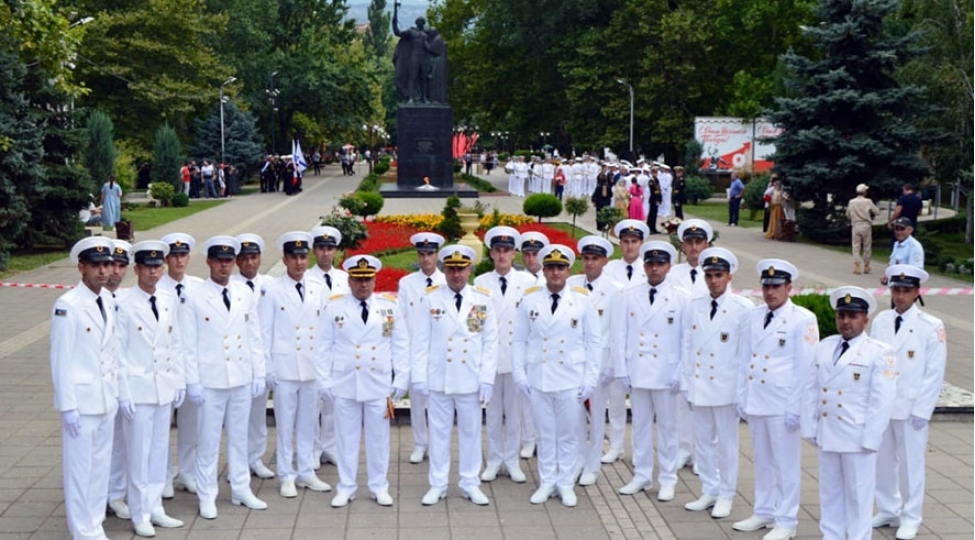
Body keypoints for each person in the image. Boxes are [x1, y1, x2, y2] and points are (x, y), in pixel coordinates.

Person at [180, 236, 267, 519]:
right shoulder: (194, 296)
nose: (224, 266)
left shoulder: (244, 293)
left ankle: (241, 488)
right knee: (208, 441)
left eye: (228, 261)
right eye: (219, 260)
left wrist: (259, 372)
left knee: (240, 438)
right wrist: (192, 381)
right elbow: (187, 344)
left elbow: (254, 336)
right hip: (210, 380)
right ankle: (207, 495)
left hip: (240, 376)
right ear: (208, 261)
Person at [51, 237, 131, 540]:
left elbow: (114, 352)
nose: (103, 271)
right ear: (81, 267)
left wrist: (120, 393)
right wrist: (67, 405)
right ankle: (81, 531)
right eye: (95, 265)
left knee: (99, 470)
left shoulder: (109, 301)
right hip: (81, 404)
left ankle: (95, 524)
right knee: (79, 472)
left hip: (106, 399)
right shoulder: (67, 305)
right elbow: (60, 359)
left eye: (107, 264)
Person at [733, 259, 819, 540]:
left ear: (789, 287)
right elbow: (744, 359)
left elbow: (806, 368)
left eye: (777, 286)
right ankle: (763, 511)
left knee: (785, 464)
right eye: (767, 286)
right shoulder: (754, 316)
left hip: (783, 404)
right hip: (758, 399)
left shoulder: (802, 319)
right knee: (762, 460)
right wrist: (742, 395)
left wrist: (797, 408)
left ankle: (786, 520)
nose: (770, 292)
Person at [801, 286, 896, 540]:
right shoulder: (824, 347)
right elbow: (811, 389)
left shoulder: (879, 352)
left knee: (858, 497)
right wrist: (809, 427)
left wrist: (871, 439)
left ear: (865, 319)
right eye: (842, 315)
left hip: (857, 437)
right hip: (828, 433)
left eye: (852, 316)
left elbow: (881, 401)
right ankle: (830, 535)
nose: (846, 321)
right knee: (830, 493)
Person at [513, 245, 601, 507]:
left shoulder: (583, 300)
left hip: (570, 378)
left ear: (568, 270)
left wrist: (590, 380)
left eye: (560, 267)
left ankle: (565, 482)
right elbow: (519, 340)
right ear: (544, 269)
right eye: (550, 267)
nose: (555, 272)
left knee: (568, 435)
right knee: (545, 433)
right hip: (539, 377)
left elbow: (594, 343)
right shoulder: (530, 300)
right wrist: (519, 374)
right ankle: (547, 481)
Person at [410, 245, 498, 506]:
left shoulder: (482, 299)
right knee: (438, 434)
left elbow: (490, 342)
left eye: (461, 269)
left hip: (470, 379)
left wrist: (487, 378)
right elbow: (420, 342)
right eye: (451, 269)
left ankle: (470, 483)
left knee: (471, 433)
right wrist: (419, 378)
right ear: (444, 270)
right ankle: (438, 484)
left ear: (469, 269)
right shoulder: (431, 299)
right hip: (440, 379)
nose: (456, 275)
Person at [319, 255, 409, 507]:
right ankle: (346, 487)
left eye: (368, 279)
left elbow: (401, 345)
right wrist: (324, 381)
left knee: (379, 439)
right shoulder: (335, 307)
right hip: (345, 383)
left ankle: (379, 486)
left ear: (374, 279)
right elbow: (322, 348)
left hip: (377, 384)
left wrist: (401, 377)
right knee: (345, 439)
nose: (363, 285)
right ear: (349, 280)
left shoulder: (389, 307)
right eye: (358, 280)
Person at [115, 241, 185, 537]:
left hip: (163, 389)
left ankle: (156, 506)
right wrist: (123, 392)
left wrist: (179, 380)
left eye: (158, 267)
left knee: (159, 452)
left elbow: (176, 343)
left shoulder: (168, 299)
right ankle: (140, 511)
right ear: (137, 269)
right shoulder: (123, 302)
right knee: (139, 455)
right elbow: (117, 352)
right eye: (148, 267)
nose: (154, 272)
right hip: (138, 390)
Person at [870, 266, 946, 540]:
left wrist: (923, 410)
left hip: (912, 407)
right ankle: (889, 508)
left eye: (906, 290)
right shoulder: (880, 321)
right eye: (895, 289)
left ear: (917, 292)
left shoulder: (931, 326)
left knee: (911, 466)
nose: (900, 296)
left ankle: (911, 516)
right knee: (883, 461)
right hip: (884, 406)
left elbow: (934, 372)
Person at [680, 247, 753, 519]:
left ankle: (726, 493)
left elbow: (746, 355)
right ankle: (709, 489)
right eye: (708, 275)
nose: (713, 280)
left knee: (726, 445)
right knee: (704, 443)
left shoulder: (743, 308)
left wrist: (742, 392)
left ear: (729, 276)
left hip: (726, 387)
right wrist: (686, 381)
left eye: (718, 275)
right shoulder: (695, 305)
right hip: (700, 385)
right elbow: (688, 345)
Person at [614, 241, 690, 503]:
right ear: (644, 266)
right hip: (638, 371)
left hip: (666, 373)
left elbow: (686, 340)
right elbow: (620, 334)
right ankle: (642, 474)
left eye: (660, 264)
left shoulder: (681, 298)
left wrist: (682, 371)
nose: (654, 268)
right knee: (640, 427)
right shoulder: (629, 294)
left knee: (669, 430)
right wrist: (621, 369)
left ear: (668, 266)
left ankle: (668, 478)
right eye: (650, 263)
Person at [259, 232, 332, 498]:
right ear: (285, 259)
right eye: (294, 258)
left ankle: (305, 472)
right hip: (285, 368)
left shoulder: (318, 288)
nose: (300, 263)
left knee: (308, 422)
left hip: (311, 367)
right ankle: (286, 474)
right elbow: (264, 332)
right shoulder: (273, 290)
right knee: (285, 423)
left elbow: (325, 332)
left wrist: (326, 368)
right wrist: (267, 368)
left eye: (303, 257)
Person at [475, 227, 534, 484]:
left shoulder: (528, 283)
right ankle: (494, 460)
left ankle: (511, 460)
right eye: (497, 251)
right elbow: (476, 324)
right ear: (491, 253)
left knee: (515, 413)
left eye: (507, 251)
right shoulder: (480, 283)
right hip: (489, 358)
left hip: (515, 356)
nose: (502, 255)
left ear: (513, 253)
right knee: (493, 413)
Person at [566, 236, 624, 487]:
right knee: (574, 415)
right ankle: (578, 459)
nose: (589, 264)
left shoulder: (615, 290)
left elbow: (618, 331)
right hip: (572, 362)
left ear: (605, 261)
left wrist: (613, 365)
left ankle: (592, 464)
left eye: (595, 259)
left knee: (597, 415)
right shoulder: (571, 284)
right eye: (586, 258)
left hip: (599, 362)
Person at [158, 233, 204, 498]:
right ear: (166, 258)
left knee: (191, 425)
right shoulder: (156, 286)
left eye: (183, 255)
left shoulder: (198, 287)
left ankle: (187, 473)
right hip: (165, 368)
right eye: (174, 255)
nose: (179, 260)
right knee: (161, 428)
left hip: (193, 368)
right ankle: (164, 476)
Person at [666, 219, 713, 472]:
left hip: (707, 346)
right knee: (681, 403)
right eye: (689, 242)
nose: (694, 247)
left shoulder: (716, 272)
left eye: (699, 242)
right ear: (682, 246)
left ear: (706, 244)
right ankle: (684, 449)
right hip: (679, 343)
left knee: (704, 403)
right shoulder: (673, 274)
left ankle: (702, 453)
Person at [395, 232, 447, 464]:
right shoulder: (407, 283)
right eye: (422, 254)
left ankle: (437, 444)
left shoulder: (447, 282)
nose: (426, 259)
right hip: (415, 351)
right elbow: (401, 318)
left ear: (437, 255)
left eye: (430, 254)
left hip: (440, 353)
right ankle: (419, 443)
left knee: (438, 402)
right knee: (417, 400)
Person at [231, 234, 276, 480]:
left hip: (264, 359)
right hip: (237, 359)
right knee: (237, 419)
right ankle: (237, 464)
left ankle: (256, 458)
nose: (249, 263)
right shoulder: (230, 284)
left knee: (258, 415)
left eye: (254, 257)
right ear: (237, 261)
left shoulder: (271, 284)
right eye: (245, 258)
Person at [305, 226, 348, 467]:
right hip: (313, 349)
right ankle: (312, 448)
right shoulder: (306, 278)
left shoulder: (344, 278)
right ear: (314, 251)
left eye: (329, 248)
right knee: (313, 402)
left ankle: (329, 446)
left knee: (334, 401)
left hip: (339, 349)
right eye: (321, 248)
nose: (325, 253)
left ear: (336, 251)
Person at [106, 241, 132, 522]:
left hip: (124, 385)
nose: (115, 271)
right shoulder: (87, 299)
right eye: (112, 264)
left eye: (121, 266)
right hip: (97, 386)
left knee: (119, 443)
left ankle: (115, 494)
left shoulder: (127, 301)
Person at [847, 183, 880, 274]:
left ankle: (857, 266)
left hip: (856, 225)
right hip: (866, 225)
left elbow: (848, 214)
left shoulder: (851, 202)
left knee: (856, 246)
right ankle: (866, 265)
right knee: (867, 246)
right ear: (864, 192)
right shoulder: (868, 201)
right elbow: (877, 212)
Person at [605, 219, 649, 287]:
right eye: (626, 241)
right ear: (620, 244)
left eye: (634, 241)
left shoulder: (649, 269)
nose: (630, 246)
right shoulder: (608, 268)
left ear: (641, 244)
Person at [881, 218, 925, 286]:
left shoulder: (914, 246)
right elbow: (892, 263)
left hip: (906, 288)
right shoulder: (896, 244)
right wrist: (886, 275)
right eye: (897, 229)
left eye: (902, 229)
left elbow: (915, 271)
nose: (899, 232)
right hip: (894, 286)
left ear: (910, 230)